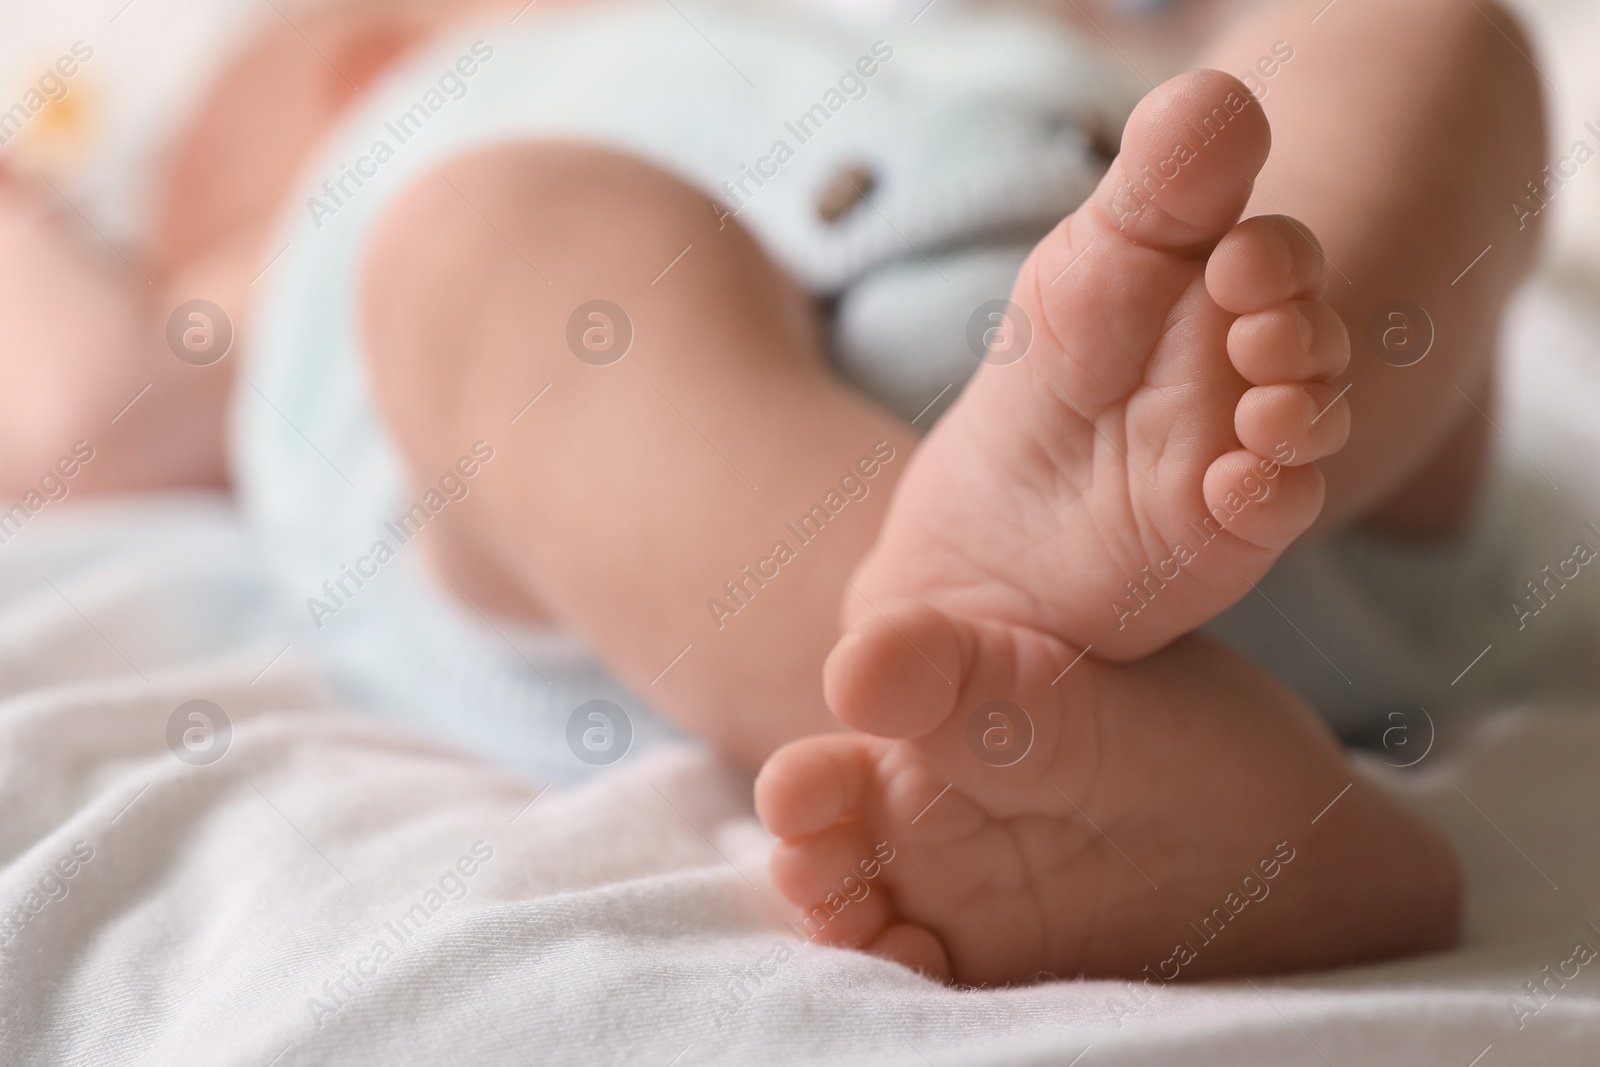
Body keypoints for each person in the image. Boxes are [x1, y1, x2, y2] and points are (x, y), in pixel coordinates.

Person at [0, 0, 1546, 985]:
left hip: (1185, 350)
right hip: (728, 511)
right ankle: (1030, 661)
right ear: (367, 54)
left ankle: (1161, 489)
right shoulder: (359, 173)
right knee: (478, 239)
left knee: (1409, 28)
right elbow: (79, 411)